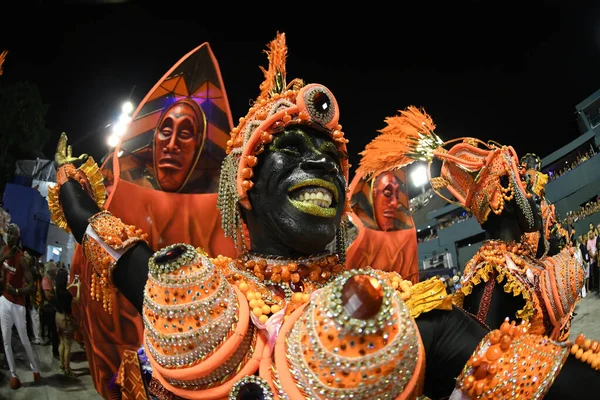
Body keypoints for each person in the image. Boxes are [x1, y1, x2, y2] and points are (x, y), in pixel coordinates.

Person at [50, 34, 600, 399]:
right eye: (289, 148)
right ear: (244, 186)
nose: (320, 163)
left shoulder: (390, 308)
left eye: (331, 159)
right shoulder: (192, 288)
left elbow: (524, 374)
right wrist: (78, 207)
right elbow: (129, 260)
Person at [0, 223, 41, 389]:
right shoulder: (3, 252)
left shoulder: (21, 259)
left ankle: (35, 369)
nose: (9, 237)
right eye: (8, 234)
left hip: (18, 304)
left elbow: (31, 286)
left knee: (24, 340)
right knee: (6, 339)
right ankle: (14, 375)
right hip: (3, 300)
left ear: (17, 237)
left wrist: (17, 290)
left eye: (12, 234)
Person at [55, 268, 81, 376]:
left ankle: (62, 366)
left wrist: (71, 286)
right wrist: (78, 287)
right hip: (66, 319)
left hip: (58, 317)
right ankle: (67, 370)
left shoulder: (56, 289)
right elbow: (77, 300)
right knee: (68, 346)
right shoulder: (66, 294)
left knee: (61, 343)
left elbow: (64, 290)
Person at [42, 261, 59, 358]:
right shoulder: (46, 280)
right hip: (49, 308)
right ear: (51, 271)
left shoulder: (51, 279)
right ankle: (55, 351)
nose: (55, 271)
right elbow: (48, 296)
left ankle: (55, 349)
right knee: (53, 331)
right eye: (54, 270)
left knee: (53, 331)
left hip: (52, 307)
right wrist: (58, 294)